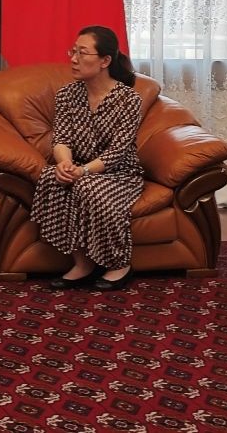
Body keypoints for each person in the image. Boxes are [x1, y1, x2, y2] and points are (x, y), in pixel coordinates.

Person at [30, 25, 144, 291]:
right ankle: (82, 264)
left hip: (120, 173)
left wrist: (83, 172)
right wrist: (64, 164)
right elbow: (61, 139)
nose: (73, 59)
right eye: (73, 51)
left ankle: (119, 264)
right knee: (51, 178)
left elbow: (118, 152)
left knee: (85, 185)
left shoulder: (128, 99)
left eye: (82, 53)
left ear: (105, 61)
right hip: (79, 168)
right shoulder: (67, 94)